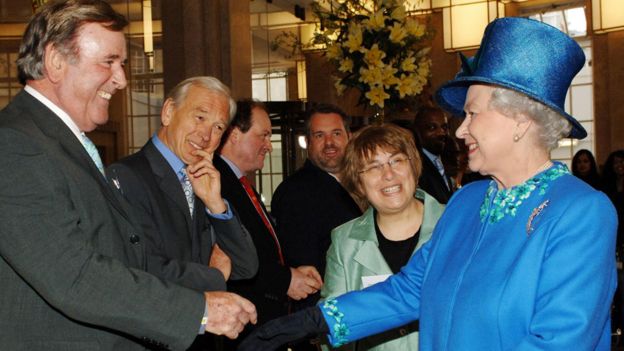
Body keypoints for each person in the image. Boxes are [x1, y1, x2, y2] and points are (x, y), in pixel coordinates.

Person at [238, 17, 617, 351]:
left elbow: (559, 341)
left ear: (519, 120)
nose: (462, 128)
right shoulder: (467, 201)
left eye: (472, 113)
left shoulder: (580, 212)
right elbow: (411, 289)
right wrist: (313, 321)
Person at [0, 1, 256, 350]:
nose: (121, 80)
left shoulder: (59, 143)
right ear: (56, 62)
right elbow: (74, 276)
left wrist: (209, 286)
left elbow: (125, 257)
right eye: (109, 62)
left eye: (121, 65)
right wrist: (198, 310)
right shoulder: (15, 144)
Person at [107, 76, 259, 350]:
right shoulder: (127, 177)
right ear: (168, 112)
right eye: (199, 117)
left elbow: (247, 265)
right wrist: (215, 275)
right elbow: (143, 268)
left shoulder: (204, 178)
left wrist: (216, 204)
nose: (206, 135)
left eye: (218, 127)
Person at [321, 124, 445, 350]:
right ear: (358, 184)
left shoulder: (455, 224)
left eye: (396, 161)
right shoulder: (345, 241)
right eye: (373, 167)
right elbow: (331, 326)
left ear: (414, 167)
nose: (388, 175)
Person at [214, 99, 323, 349]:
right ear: (233, 134)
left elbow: (262, 246)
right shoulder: (216, 182)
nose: (268, 146)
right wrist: (285, 279)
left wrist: (293, 270)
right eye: (263, 136)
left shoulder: (238, 182)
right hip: (240, 327)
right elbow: (230, 256)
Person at [271, 104, 362, 310]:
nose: (329, 142)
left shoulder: (364, 181)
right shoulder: (295, 192)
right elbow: (303, 267)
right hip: (327, 309)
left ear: (349, 136)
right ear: (308, 142)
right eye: (319, 135)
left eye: (336, 133)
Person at [412, 106, 454, 204]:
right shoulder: (415, 166)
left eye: (444, 127)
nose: (441, 133)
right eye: (432, 127)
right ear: (417, 131)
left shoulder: (443, 160)